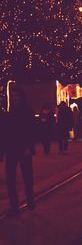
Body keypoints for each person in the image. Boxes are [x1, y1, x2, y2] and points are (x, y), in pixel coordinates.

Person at [2, 87, 36, 216]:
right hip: (11, 149)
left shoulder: (27, 111)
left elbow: (31, 131)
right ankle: (14, 205)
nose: (15, 99)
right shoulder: (9, 113)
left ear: (22, 97)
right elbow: (4, 133)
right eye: (13, 96)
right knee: (10, 178)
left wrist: (29, 147)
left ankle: (30, 199)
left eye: (17, 96)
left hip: (23, 149)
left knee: (27, 177)